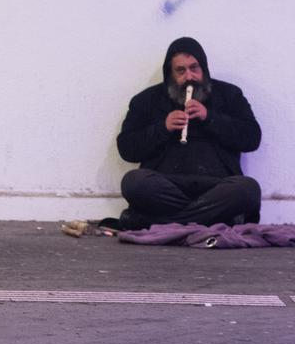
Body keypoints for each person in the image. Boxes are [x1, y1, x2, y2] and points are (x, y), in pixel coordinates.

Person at [112, 37, 262, 229]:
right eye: (181, 71)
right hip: (167, 186)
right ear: (170, 73)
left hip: (217, 186)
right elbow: (127, 148)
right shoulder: (146, 100)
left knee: (248, 189)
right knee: (133, 182)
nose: (189, 77)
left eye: (194, 68)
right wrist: (162, 128)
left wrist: (210, 118)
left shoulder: (230, 95)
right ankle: (216, 220)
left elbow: (252, 138)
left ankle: (149, 222)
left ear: (204, 68)